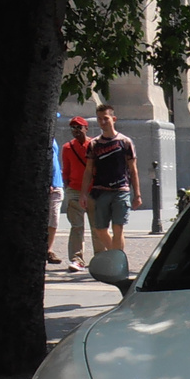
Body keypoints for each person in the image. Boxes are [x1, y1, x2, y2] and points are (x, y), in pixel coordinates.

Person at [80, 103, 141, 254]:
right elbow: (88, 171)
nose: (102, 122)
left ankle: (117, 260)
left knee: (118, 228)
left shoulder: (125, 142)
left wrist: (137, 194)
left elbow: (133, 170)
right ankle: (116, 255)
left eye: (106, 118)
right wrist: (83, 193)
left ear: (114, 119)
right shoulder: (94, 144)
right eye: (99, 119)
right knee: (100, 229)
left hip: (121, 190)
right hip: (100, 190)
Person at [60, 116, 90, 270]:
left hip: (93, 190)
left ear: (86, 128)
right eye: (72, 128)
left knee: (99, 227)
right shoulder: (67, 148)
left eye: (79, 127)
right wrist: (68, 187)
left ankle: (100, 258)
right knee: (77, 226)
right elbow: (66, 170)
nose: (75, 131)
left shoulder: (93, 145)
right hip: (74, 190)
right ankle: (76, 259)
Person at [47, 133, 64, 265]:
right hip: (51, 186)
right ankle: (45, 250)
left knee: (53, 221)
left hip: (56, 185)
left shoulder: (52, 138)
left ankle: (48, 249)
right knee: (49, 220)